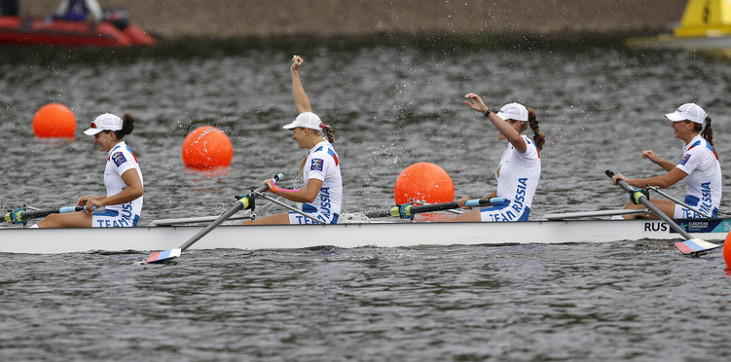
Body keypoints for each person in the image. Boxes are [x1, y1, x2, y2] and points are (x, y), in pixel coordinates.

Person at [245, 55, 342, 225]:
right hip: (318, 215)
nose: (293, 137)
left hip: (321, 218)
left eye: (294, 131)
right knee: (252, 224)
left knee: (249, 226)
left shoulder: (319, 158)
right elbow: (304, 108)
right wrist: (294, 73)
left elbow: (309, 196)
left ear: (305, 130)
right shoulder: (321, 141)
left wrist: (276, 190)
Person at [440, 94, 545, 222]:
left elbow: (515, 138)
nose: (497, 126)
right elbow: (503, 191)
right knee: (446, 223)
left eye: (502, 122)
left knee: (446, 224)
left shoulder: (526, 147)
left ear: (517, 124)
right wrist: (474, 203)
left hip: (513, 213)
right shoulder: (510, 150)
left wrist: (486, 111)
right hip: (503, 209)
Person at [611, 103, 721, 219]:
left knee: (635, 205)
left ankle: (610, 233)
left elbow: (665, 182)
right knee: (639, 208)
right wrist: (658, 160)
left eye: (676, 122)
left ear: (690, 125)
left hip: (701, 213)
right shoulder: (695, 145)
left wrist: (628, 181)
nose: (672, 125)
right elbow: (682, 171)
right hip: (693, 207)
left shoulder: (698, 151)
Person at [36, 113, 144, 228]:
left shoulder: (119, 155)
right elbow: (122, 192)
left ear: (111, 135)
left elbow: (136, 190)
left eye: (97, 136)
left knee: (52, 220)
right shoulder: (120, 152)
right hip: (116, 217)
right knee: (55, 219)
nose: (95, 140)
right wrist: (96, 199)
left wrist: (101, 203)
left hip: (121, 221)